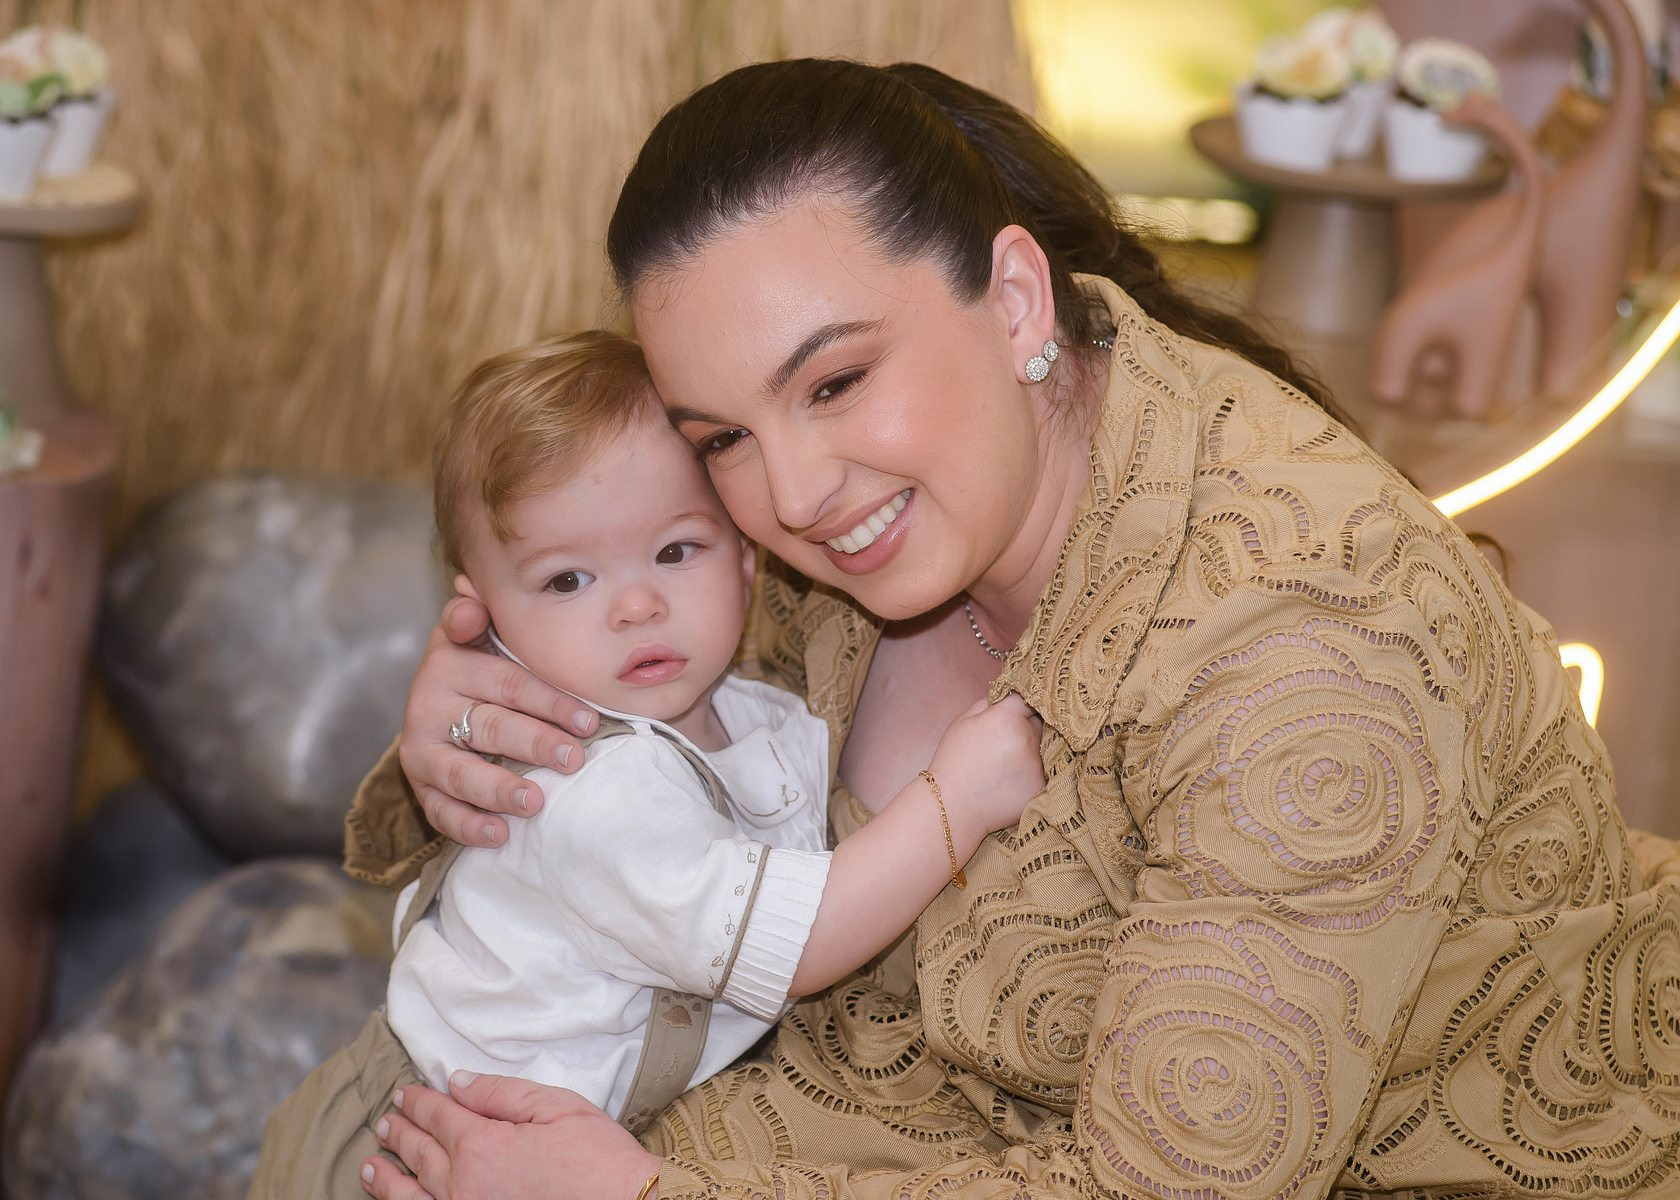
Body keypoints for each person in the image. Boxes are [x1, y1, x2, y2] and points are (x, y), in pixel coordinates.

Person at [349, 59, 1680, 1200]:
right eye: (723, 438)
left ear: (1020, 302)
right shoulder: (841, 530)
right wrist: (484, 723)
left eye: (836, 381)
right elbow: (634, 768)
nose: (794, 494)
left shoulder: (1308, 644)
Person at [246, 330, 1045, 1199]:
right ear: (481, 622)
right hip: (420, 1151)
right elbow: (805, 943)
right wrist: (956, 797)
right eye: (567, 581)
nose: (636, 605)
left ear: (746, 561)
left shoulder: (747, 710)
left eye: (675, 552)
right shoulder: (597, 791)